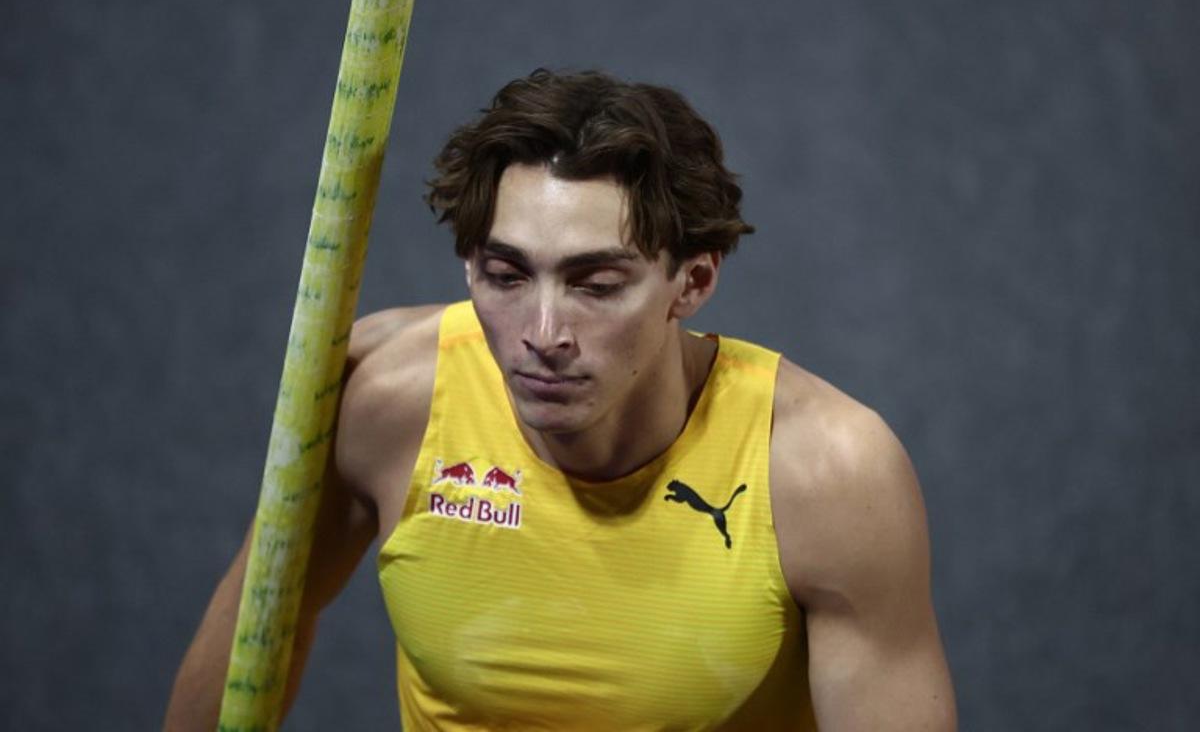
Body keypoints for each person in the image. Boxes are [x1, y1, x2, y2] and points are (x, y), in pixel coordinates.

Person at [165, 69, 956, 730]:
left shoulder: (825, 473)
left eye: (597, 285)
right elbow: (261, 635)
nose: (542, 332)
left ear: (694, 282)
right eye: (506, 276)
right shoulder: (388, 396)